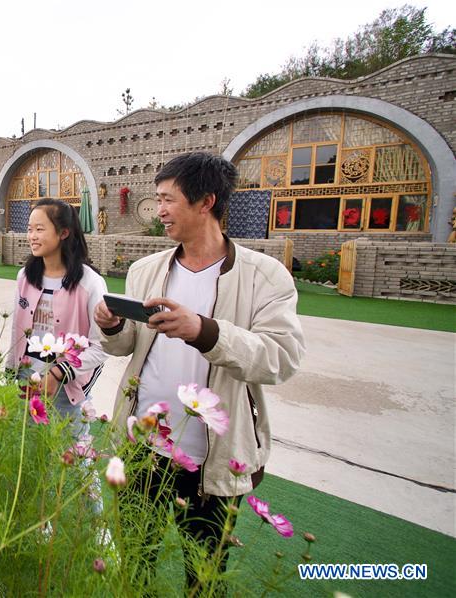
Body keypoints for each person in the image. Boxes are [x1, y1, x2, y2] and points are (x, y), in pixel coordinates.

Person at [93, 152, 305, 586]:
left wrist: (205, 331)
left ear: (206, 201)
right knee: (135, 565)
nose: (160, 210)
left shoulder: (264, 276)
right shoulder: (146, 270)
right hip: (142, 446)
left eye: (168, 199)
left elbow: (280, 358)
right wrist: (112, 326)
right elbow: (128, 345)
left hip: (211, 460)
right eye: (157, 199)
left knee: (205, 578)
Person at [8, 198, 108, 433]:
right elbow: (16, 328)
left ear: (64, 233)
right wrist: (12, 367)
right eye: (30, 229)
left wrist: (59, 373)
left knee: (69, 449)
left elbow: (102, 346)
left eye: (39, 229)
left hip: (67, 384)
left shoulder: (90, 283)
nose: (32, 236)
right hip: (27, 377)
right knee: (26, 446)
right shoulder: (25, 276)